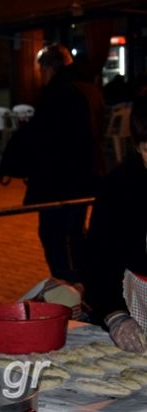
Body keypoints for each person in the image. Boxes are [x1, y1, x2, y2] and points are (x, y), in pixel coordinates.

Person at [1, 43, 100, 283]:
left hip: (60, 180)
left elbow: (43, 136)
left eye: (42, 69)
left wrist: (12, 161)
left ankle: (67, 286)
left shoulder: (60, 92)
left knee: (54, 233)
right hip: (86, 175)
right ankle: (84, 282)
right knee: (75, 232)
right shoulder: (89, 89)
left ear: (49, 68)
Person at [84, 95, 147, 352]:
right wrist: (115, 314)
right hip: (139, 303)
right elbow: (99, 258)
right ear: (136, 146)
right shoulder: (120, 187)